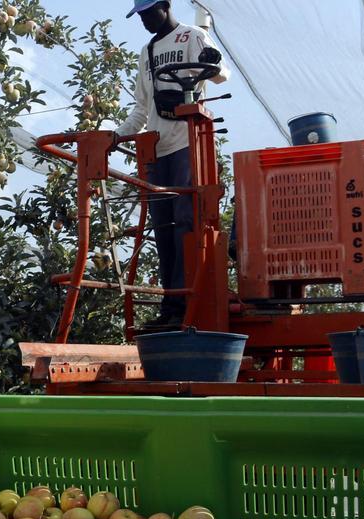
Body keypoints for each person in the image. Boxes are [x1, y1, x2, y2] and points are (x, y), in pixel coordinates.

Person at [116, 0, 230, 328]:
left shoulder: (191, 36)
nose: (145, 21)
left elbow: (222, 74)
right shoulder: (147, 52)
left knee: (185, 222)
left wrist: (211, 63)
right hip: (157, 148)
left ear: (165, 6)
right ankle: (170, 306)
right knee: (162, 228)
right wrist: (116, 136)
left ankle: (185, 305)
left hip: (186, 143)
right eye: (140, 16)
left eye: (149, 13)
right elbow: (141, 109)